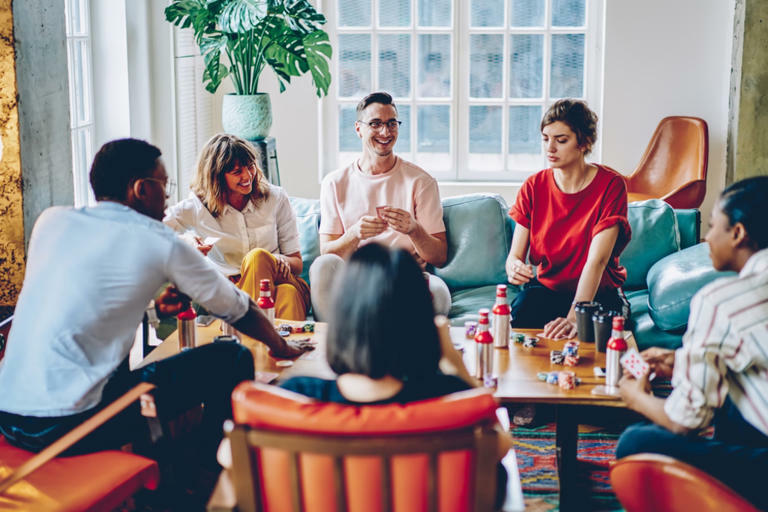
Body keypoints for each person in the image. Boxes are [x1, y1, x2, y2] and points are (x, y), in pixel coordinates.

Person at [0, 138, 312, 462]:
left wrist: (156, 300)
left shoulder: (52, 221)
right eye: (164, 184)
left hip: (8, 413)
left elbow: (93, 294)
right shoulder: (158, 239)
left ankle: (171, 459)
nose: (167, 195)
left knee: (124, 367)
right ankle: (210, 468)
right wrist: (281, 346)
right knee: (231, 358)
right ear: (141, 189)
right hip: (72, 425)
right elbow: (238, 308)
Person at [281, 243, 509, 507]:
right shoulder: (449, 398)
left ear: (341, 320)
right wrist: (456, 366)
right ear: (421, 321)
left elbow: (230, 456)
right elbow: (501, 446)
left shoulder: (296, 397)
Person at [616, 177, 768, 510]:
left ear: (738, 233)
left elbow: (684, 423)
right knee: (730, 390)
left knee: (635, 442)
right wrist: (682, 361)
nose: (707, 238)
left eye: (714, 226)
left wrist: (636, 398)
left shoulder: (720, 300)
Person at [309, 91, 451, 320]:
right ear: (358, 129)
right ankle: (336, 345)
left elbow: (439, 256)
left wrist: (414, 230)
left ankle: (405, 351)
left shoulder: (421, 182)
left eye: (391, 124)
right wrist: (355, 234)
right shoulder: (335, 183)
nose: (385, 132)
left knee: (439, 294)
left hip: (405, 278)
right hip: (354, 279)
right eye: (375, 124)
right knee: (322, 266)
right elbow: (327, 253)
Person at [505, 99, 631, 340]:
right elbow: (515, 256)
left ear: (584, 142)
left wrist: (576, 316)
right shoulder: (533, 186)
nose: (550, 148)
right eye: (545, 139)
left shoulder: (611, 186)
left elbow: (597, 260)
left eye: (561, 140)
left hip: (598, 295)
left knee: (600, 337)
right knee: (522, 320)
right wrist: (514, 268)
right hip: (548, 290)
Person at [164, 133, 309, 320]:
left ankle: (241, 337)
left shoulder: (275, 198)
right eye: (237, 172)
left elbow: (296, 263)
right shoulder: (198, 207)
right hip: (231, 292)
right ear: (216, 176)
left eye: (251, 167)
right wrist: (188, 241)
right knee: (287, 295)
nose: (248, 176)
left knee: (257, 257)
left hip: (280, 277)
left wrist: (276, 261)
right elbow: (155, 231)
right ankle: (281, 347)